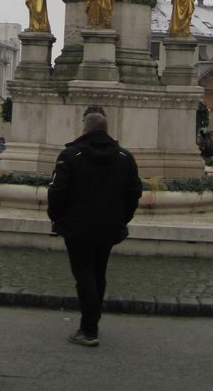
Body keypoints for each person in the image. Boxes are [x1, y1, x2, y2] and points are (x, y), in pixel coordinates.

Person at [48, 110, 142, 348]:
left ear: (84, 129)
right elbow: (134, 193)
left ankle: (89, 329)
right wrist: (122, 219)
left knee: (84, 275)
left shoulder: (70, 155)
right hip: (109, 227)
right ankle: (92, 321)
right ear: (106, 130)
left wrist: (57, 218)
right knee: (98, 274)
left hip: (77, 227)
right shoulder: (124, 157)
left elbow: (57, 191)